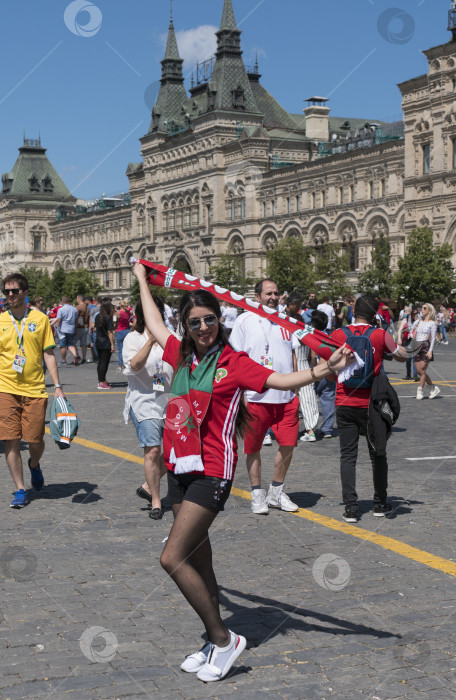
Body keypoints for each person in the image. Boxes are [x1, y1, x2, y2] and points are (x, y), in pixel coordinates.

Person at [133, 262, 353, 682]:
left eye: (209, 320)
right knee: (201, 561)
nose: (203, 328)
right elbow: (153, 321)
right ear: (186, 324)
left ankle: (223, 640)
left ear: (220, 320)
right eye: (195, 322)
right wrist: (144, 280)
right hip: (179, 468)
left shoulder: (233, 362)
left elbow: (281, 380)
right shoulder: (180, 352)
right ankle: (210, 636)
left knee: (172, 557)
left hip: (212, 472)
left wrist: (324, 369)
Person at [331, 294, 408, 523]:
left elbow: (327, 365)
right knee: (378, 454)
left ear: (353, 311)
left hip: (344, 401)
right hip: (371, 404)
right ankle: (379, 503)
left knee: (348, 456)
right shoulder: (379, 334)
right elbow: (402, 357)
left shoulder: (338, 334)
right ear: (375, 313)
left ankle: (351, 508)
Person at [230, 279, 301, 514]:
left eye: (276, 293)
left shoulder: (286, 321)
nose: (273, 297)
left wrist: (296, 389)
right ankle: (257, 494)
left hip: (286, 398)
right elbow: (235, 360)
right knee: (253, 448)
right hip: (256, 397)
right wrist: (241, 394)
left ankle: (276, 492)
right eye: (268, 293)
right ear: (257, 295)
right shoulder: (244, 320)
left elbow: (291, 354)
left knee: (289, 444)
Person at [0, 272, 65, 508]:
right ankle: (20, 488)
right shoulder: (1, 321)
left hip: (35, 387)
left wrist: (57, 386)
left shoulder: (40, 319)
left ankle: (34, 464)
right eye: (6, 291)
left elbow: (48, 353)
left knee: (35, 439)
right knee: (11, 439)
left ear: (25, 293)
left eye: (14, 291)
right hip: (5, 387)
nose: (9, 295)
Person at [123, 298, 172, 519]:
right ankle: (156, 500)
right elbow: (134, 365)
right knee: (153, 451)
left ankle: (147, 485)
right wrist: (150, 341)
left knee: (176, 452)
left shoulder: (172, 337)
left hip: (171, 400)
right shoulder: (133, 338)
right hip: (144, 401)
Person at [286, 293, 318, 443]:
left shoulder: (291, 336)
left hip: (294, 368)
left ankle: (291, 430)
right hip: (306, 368)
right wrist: (314, 368)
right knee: (308, 399)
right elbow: (312, 355)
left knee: (295, 400)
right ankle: (311, 430)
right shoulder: (305, 336)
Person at [311, 310, 336, 438]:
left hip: (314, 371)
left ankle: (311, 428)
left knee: (309, 400)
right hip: (328, 370)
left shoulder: (311, 336)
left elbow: (312, 354)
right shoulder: (330, 337)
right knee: (328, 398)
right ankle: (327, 428)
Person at [411, 303, 440, 400]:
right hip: (417, 346)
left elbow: (432, 339)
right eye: (422, 308)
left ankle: (420, 390)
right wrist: (410, 334)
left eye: (424, 308)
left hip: (425, 347)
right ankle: (433, 387)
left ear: (429, 311)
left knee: (423, 370)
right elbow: (411, 330)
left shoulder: (432, 323)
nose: (422, 310)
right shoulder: (418, 322)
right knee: (419, 371)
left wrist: (430, 351)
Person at [95, 299, 115, 390]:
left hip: (98, 341)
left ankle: (101, 379)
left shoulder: (98, 316)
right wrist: (112, 344)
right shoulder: (108, 317)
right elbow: (110, 332)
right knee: (104, 362)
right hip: (106, 342)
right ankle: (102, 382)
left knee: (100, 362)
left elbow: (96, 328)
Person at [56, 297, 79, 366]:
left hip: (63, 329)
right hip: (71, 329)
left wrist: (57, 328)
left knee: (63, 346)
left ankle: (64, 360)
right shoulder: (74, 309)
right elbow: (76, 320)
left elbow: (59, 320)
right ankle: (75, 355)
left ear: (62, 301)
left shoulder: (61, 309)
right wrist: (75, 329)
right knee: (70, 344)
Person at [397, 307, 418, 381]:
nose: (416, 315)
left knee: (414, 357)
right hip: (407, 340)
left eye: (416, 313)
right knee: (408, 358)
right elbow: (399, 330)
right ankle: (408, 374)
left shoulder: (416, 321)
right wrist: (399, 338)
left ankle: (415, 374)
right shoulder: (405, 320)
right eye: (414, 313)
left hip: (415, 339)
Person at [115, 300, 132, 372]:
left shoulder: (118, 313)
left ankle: (120, 366)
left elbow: (115, 322)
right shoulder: (128, 312)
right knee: (127, 349)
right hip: (127, 331)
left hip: (119, 331)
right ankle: (126, 365)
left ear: (120, 305)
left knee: (120, 350)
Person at [75, 294, 90, 364]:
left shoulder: (78, 307)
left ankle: (77, 356)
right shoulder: (87, 307)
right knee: (84, 344)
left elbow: (75, 317)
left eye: (77, 299)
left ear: (79, 299)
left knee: (72, 342)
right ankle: (84, 358)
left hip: (78, 327)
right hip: (86, 326)